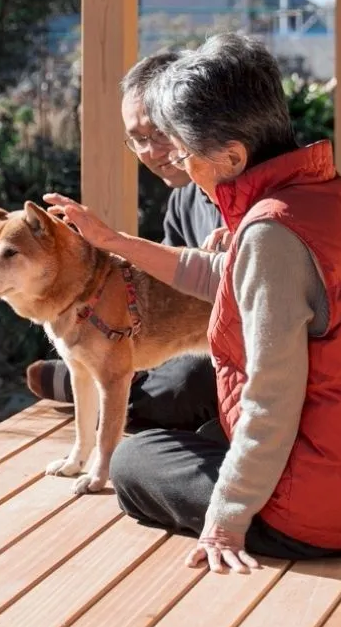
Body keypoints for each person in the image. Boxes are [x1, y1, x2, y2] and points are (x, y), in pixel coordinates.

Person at [46, 33, 341, 575]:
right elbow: (229, 277)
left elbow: (270, 399)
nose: (182, 168)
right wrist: (113, 242)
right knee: (196, 418)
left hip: (331, 513)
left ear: (232, 156)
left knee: (137, 461)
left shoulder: (270, 236)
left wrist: (227, 517)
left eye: (183, 154)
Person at [26, 51, 223, 427]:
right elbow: (163, 288)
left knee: (180, 386)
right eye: (138, 139)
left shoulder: (250, 199)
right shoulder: (182, 197)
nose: (151, 151)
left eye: (160, 133)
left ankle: (101, 387)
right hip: (182, 339)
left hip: (230, 345)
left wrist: (114, 241)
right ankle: (102, 375)